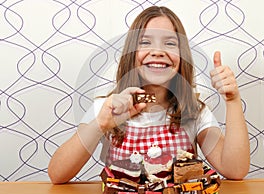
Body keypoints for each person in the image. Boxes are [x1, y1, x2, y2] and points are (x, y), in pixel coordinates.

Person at [48, 6, 250, 184]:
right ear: (131, 54)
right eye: (145, 42)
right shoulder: (106, 108)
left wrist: (232, 100)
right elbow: (57, 175)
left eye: (170, 44)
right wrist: (100, 124)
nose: (158, 51)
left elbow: (235, 169)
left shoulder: (194, 111)